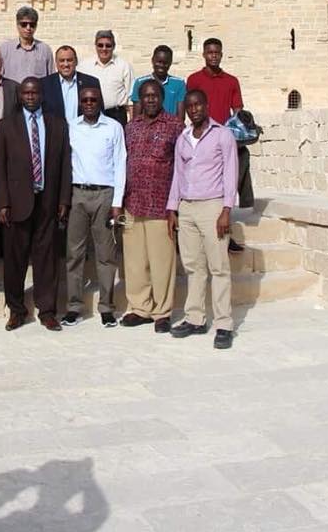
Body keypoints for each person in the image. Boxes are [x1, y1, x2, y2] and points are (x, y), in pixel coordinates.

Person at [0, 77, 71, 331]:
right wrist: (3, 202)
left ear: (42, 95)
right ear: (20, 96)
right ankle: (16, 310)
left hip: (48, 201)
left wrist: (63, 199)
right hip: (17, 203)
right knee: (14, 261)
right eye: (26, 93)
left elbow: (64, 164)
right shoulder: (7, 125)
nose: (30, 97)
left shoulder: (57, 124)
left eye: (34, 93)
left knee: (47, 259)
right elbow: (0, 167)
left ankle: (47, 310)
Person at [166, 89, 238, 350]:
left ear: (206, 106)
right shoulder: (183, 138)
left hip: (212, 206)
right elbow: (178, 174)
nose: (194, 109)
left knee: (219, 267)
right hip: (187, 208)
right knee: (193, 266)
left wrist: (226, 209)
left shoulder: (222, 135)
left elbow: (231, 172)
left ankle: (223, 324)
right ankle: (195, 318)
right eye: (190, 106)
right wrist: (172, 208)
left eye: (198, 105)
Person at [61, 87, 126, 329]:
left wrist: (117, 203)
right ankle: (74, 307)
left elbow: (120, 164)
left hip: (104, 195)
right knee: (74, 254)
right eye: (85, 100)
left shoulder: (113, 127)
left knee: (106, 255)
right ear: (80, 103)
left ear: (100, 102)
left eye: (93, 99)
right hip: (77, 194)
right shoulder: (71, 126)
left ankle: (107, 308)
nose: (89, 103)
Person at [121, 79, 182, 334]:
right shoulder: (130, 127)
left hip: (161, 204)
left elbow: (181, 166)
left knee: (162, 261)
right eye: (145, 96)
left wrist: (175, 206)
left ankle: (162, 311)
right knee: (135, 261)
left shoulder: (175, 126)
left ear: (162, 97)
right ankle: (139, 308)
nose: (150, 100)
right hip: (133, 202)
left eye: (154, 95)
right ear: (140, 99)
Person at [187, 37, 253, 250]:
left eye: (217, 53)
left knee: (228, 182)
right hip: (202, 138)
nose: (213, 56)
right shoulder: (194, 79)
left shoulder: (231, 81)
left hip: (224, 137)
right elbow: (191, 107)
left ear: (221, 54)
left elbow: (237, 112)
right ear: (204, 54)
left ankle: (226, 229)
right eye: (210, 52)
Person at [77, 30, 133, 126]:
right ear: (95, 46)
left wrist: (132, 123)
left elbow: (130, 98)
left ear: (114, 46)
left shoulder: (124, 66)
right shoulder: (84, 66)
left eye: (108, 45)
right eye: (100, 45)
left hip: (116, 115)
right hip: (91, 114)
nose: (104, 49)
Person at [41, 45, 101, 122]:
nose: (66, 64)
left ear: (76, 61)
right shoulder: (45, 84)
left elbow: (99, 111)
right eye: (62, 60)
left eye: (69, 60)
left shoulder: (91, 83)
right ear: (56, 63)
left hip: (84, 128)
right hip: (55, 129)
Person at [0, 6, 54, 84]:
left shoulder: (45, 50)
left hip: (38, 91)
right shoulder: (5, 49)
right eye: (24, 24)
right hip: (12, 92)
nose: (28, 28)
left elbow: (51, 79)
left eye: (32, 24)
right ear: (17, 25)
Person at [131, 45, 186, 122]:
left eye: (165, 63)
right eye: (159, 62)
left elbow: (181, 117)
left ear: (170, 63)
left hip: (171, 126)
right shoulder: (140, 83)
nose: (162, 66)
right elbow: (137, 116)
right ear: (152, 60)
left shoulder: (179, 84)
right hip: (147, 126)